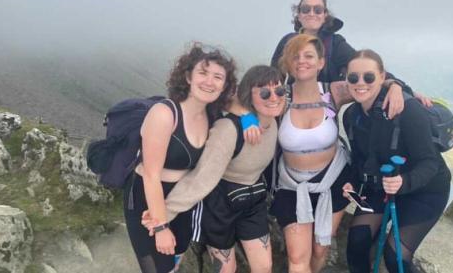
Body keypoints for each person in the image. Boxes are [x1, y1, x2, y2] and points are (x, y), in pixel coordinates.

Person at [143, 65, 286, 273]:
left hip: (252, 199)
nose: (274, 97)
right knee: (225, 270)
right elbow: (202, 177)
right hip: (219, 204)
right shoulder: (229, 130)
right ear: (248, 95)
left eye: (279, 91)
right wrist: (163, 214)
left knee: (264, 267)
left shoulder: (273, 121)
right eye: (264, 92)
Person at [123, 43, 237, 273]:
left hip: (182, 198)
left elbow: (243, 108)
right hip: (147, 195)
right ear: (188, 76)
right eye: (202, 73)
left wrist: (250, 121)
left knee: (175, 259)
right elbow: (151, 174)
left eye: (218, 77)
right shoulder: (165, 114)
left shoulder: (212, 115)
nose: (209, 81)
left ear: (224, 86)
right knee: (159, 266)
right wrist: (160, 226)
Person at [341, 49, 451, 273]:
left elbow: (430, 162)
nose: (360, 83)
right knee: (357, 242)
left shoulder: (408, 110)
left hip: (424, 191)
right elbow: (361, 159)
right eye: (353, 78)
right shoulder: (351, 115)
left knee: (396, 257)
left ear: (383, 77)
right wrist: (352, 182)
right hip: (382, 187)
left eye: (369, 77)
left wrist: (405, 181)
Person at [267, 33, 353, 273]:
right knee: (297, 257)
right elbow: (243, 102)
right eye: (295, 56)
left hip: (333, 181)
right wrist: (246, 124)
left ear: (321, 62)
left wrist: (398, 88)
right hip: (292, 186)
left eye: (308, 56)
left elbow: (370, 84)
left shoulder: (334, 91)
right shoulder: (279, 96)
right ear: (288, 63)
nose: (301, 61)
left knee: (319, 249)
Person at [270, 0, 432, 118]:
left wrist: (397, 86)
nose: (312, 13)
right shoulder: (287, 42)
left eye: (318, 9)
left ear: (325, 15)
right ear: (298, 14)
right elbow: (271, 79)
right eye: (306, 9)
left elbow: (363, 66)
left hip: (323, 110)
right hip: (292, 108)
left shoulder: (335, 44)